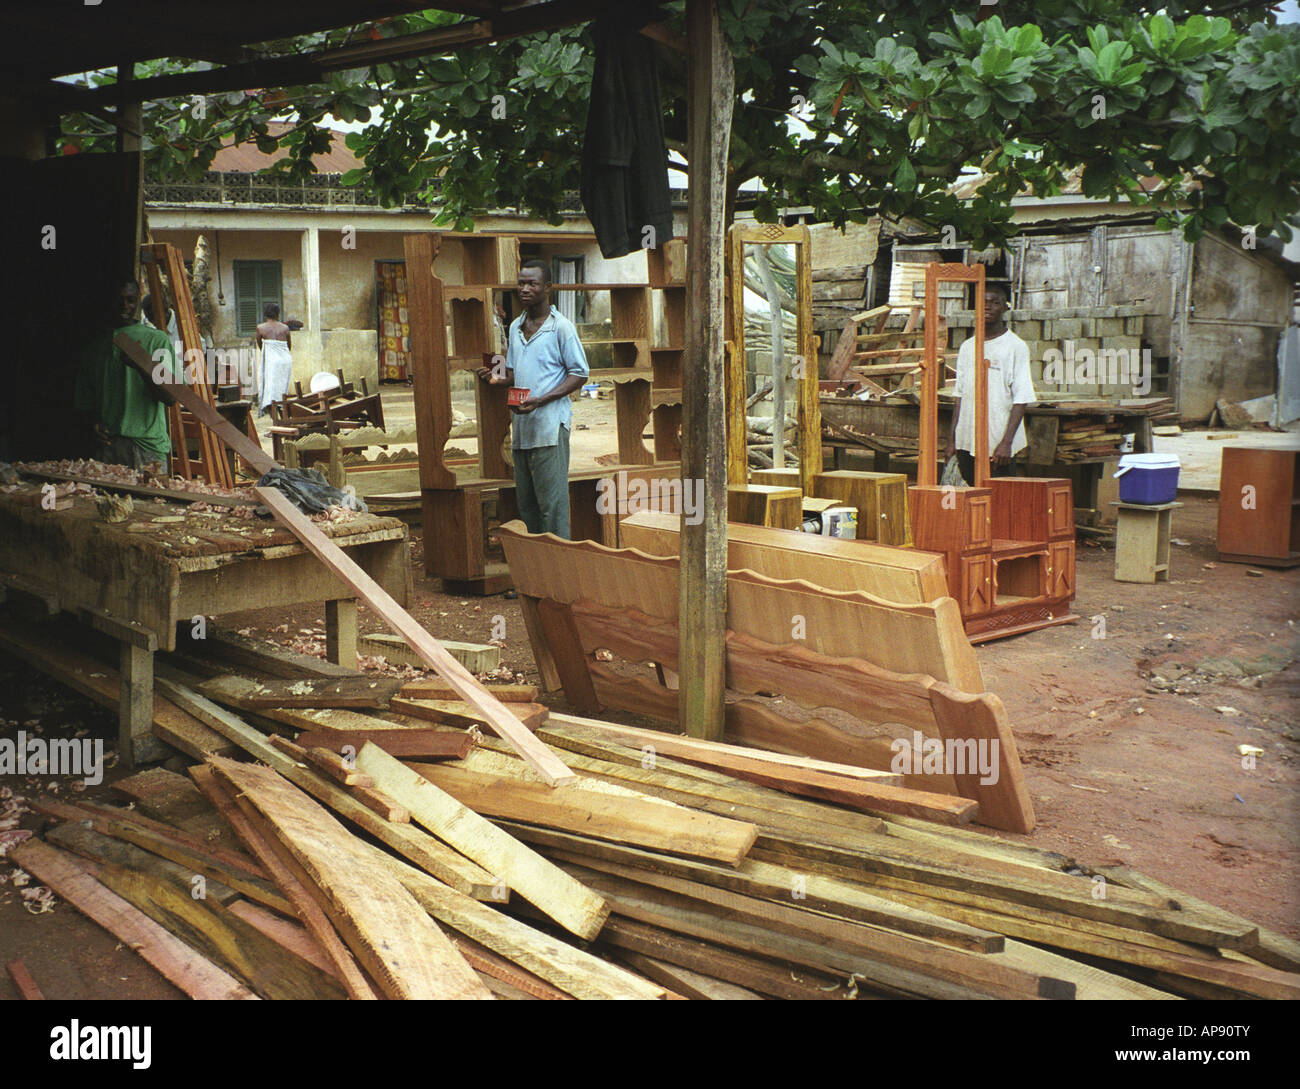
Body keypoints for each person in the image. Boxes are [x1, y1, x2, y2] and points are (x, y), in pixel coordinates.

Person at [477, 259, 589, 537]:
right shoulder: (515, 326)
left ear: (547, 288)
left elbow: (580, 373)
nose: (525, 289)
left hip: (550, 429)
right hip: (523, 431)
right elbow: (515, 371)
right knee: (527, 508)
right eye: (521, 283)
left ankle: (558, 572)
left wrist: (541, 400)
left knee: (553, 506)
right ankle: (537, 572)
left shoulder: (561, 327)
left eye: (532, 283)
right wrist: (495, 377)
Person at [74, 278, 175, 473]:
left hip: (147, 450)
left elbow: (170, 397)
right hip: (108, 449)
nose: (125, 306)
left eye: (131, 300)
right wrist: (93, 424)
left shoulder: (156, 340)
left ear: (138, 301)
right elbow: (85, 405)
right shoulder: (94, 348)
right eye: (118, 300)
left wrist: (141, 365)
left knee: (154, 503)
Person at [946, 281, 1036, 486]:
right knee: (971, 497)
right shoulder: (968, 347)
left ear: (1005, 307)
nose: (987, 307)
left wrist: (1006, 443)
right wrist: (952, 441)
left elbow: (1021, 399)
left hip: (998, 444)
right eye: (983, 302)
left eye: (995, 302)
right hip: (967, 440)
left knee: (999, 500)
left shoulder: (1015, 347)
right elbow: (959, 396)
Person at [256, 302, 293, 416]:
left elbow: (260, 346)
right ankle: (284, 420)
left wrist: (271, 356)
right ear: (278, 314)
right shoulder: (285, 328)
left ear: (266, 314)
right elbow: (288, 346)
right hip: (285, 361)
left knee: (271, 393)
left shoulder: (260, 328)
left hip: (272, 362)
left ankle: (277, 424)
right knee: (282, 391)